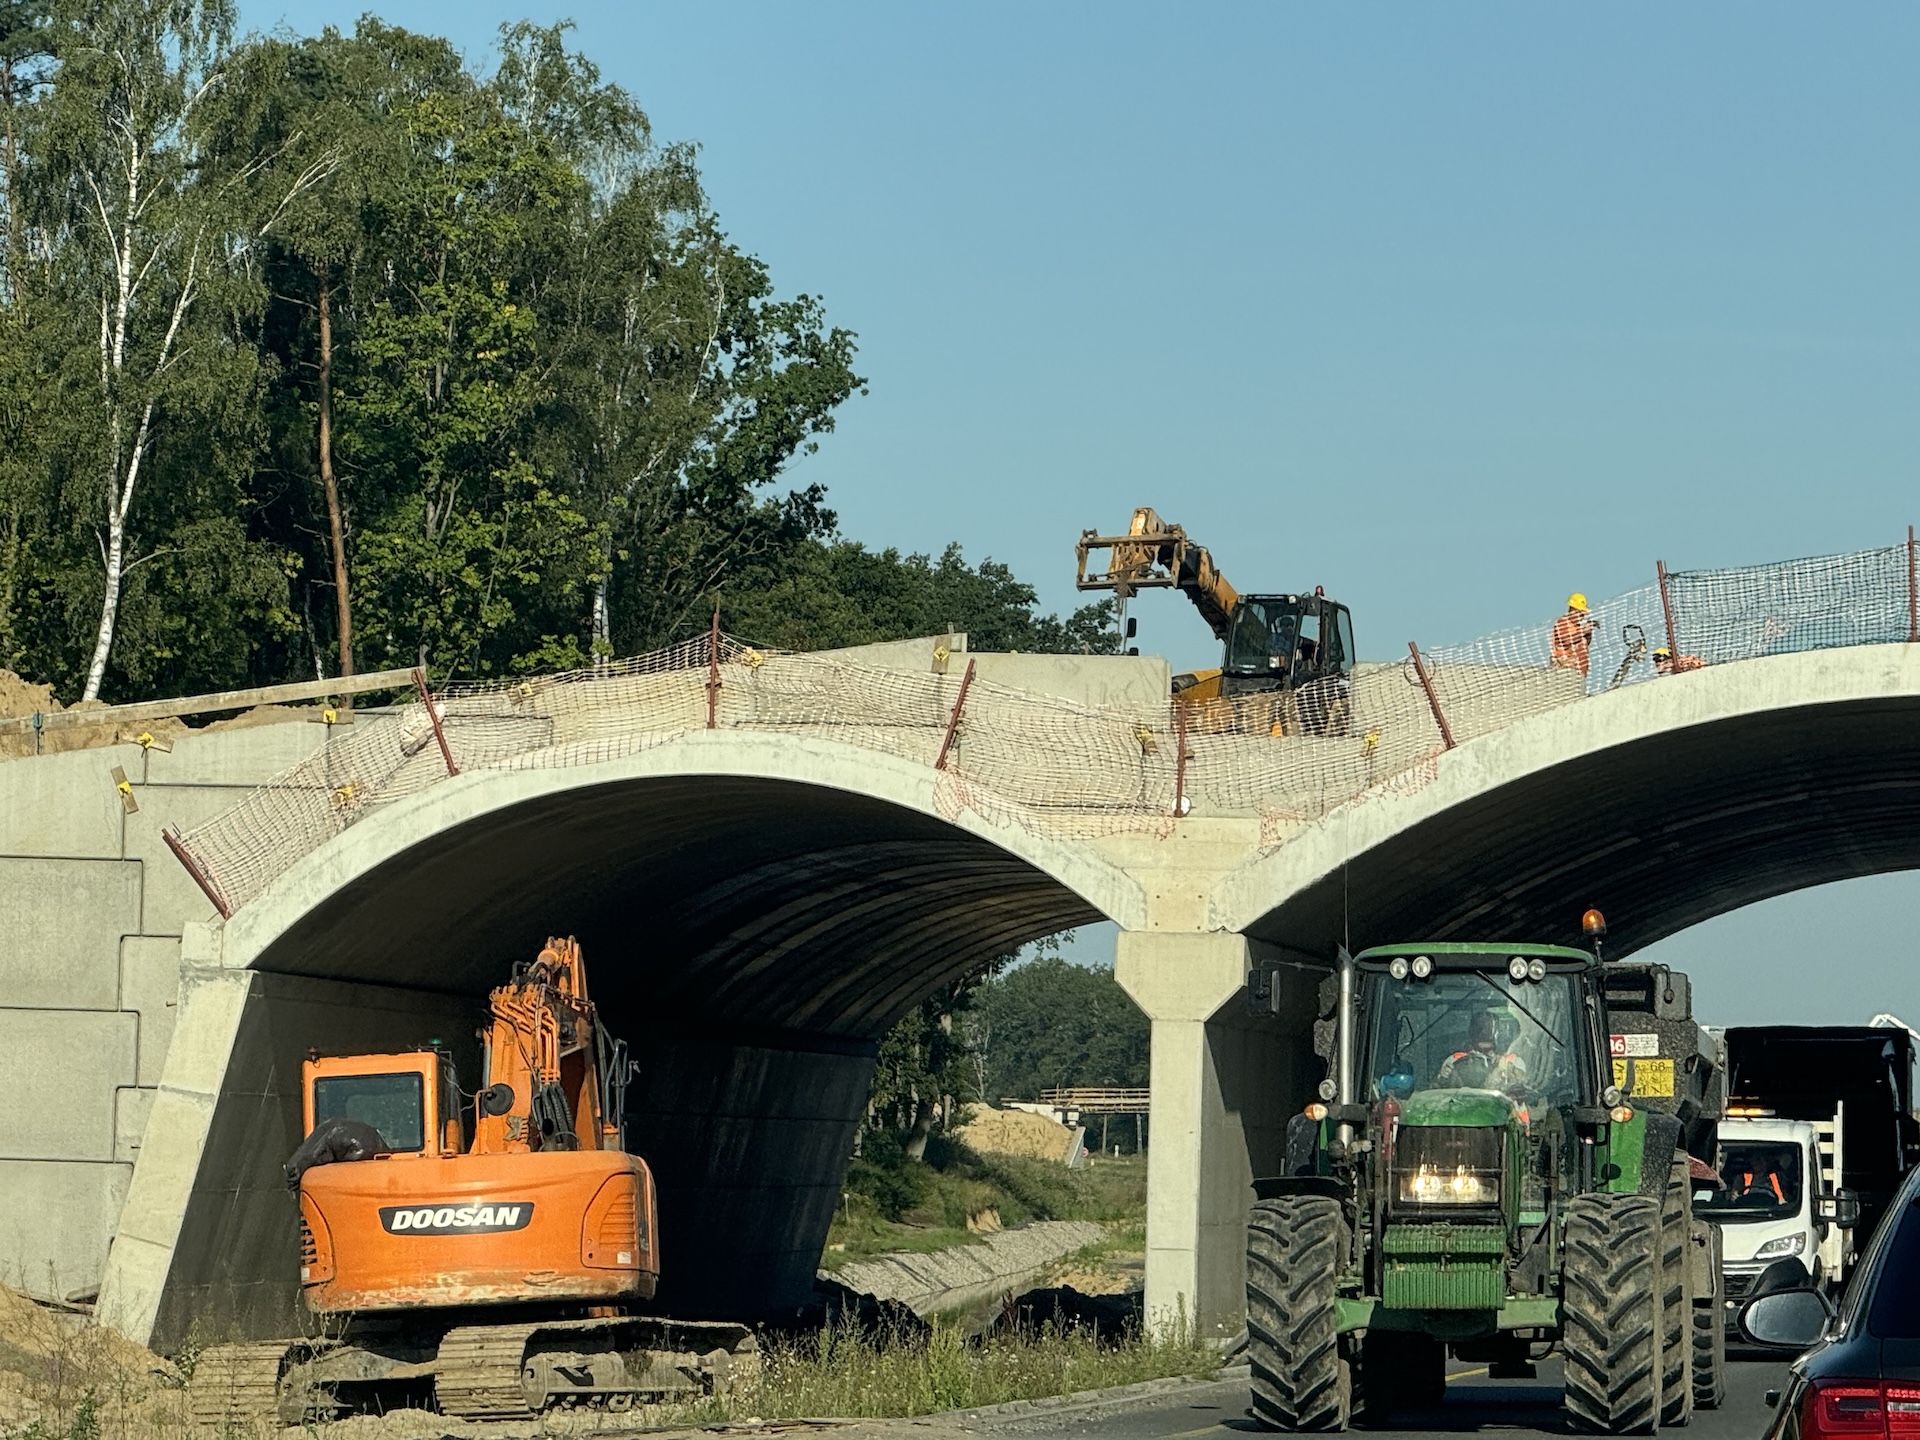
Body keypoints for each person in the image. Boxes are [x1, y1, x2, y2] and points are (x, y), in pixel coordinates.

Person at [1437, 1010, 1528, 1094]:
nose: (1484, 1033)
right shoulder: (1454, 1060)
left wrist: (1510, 1071)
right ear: (1472, 1033)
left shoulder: (1513, 1061)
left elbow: (1524, 1088)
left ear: (1498, 1033)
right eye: (1480, 1028)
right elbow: (1441, 1094)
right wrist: (1443, 1078)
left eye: (1489, 1028)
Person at [1550, 593, 1598, 675]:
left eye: (1583, 615)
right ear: (1572, 610)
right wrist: (1583, 631)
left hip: (1577, 671)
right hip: (1562, 669)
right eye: (1580, 614)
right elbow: (1567, 640)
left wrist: (1589, 633)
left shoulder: (1577, 627)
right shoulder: (1562, 622)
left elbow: (1584, 644)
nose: (1582, 617)